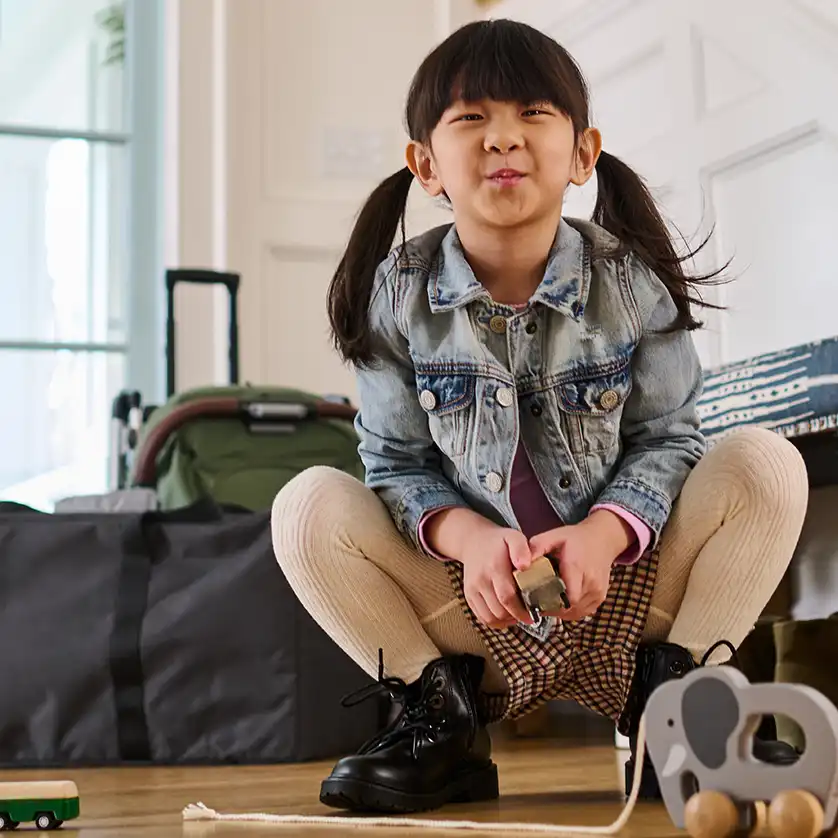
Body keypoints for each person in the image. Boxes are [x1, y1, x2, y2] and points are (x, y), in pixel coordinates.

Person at [271, 18, 808, 814]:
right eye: (470, 120)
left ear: (583, 152)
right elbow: (394, 467)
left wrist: (608, 532)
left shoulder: (629, 280)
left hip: (631, 606)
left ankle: (681, 719)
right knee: (307, 504)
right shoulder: (395, 292)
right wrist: (471, 537)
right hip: (476, 614)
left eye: (532, 114)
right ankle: (439, 724)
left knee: (766, 462)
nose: (502, 140)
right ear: (426, 164)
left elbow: (671, 439)